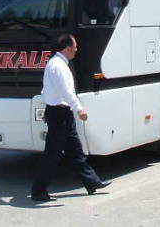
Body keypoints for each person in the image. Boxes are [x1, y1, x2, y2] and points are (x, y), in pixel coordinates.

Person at [30, 34, 110, 202]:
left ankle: (92, 182)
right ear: (66, 48)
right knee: (52, 154)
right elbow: (66, 91)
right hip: (59, 114)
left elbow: (48, 90)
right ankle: (38, 191)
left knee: (75, 151)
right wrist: (79, 108)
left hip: (61, 113)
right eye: (74, 46)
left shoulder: (56, 63)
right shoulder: (58, 66)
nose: (76, 49)